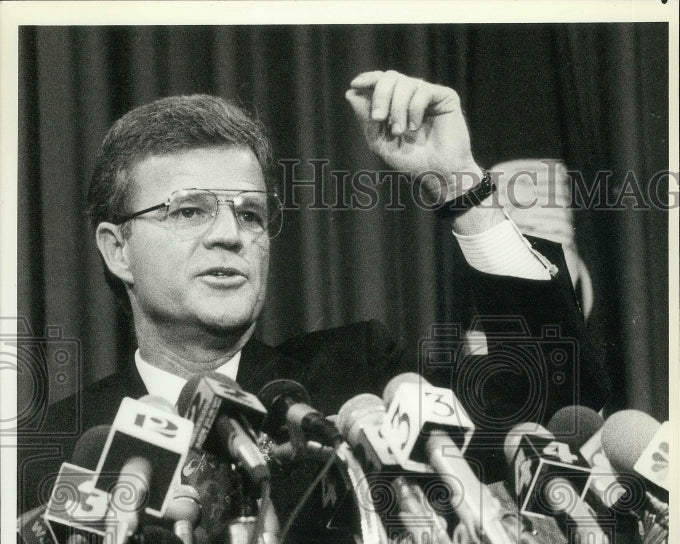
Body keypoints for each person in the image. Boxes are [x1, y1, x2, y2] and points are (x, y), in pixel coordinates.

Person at [18, 69, 604, 519]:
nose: (229, 234)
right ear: (117, 249)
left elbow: (553, 401)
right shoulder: (47, 453)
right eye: (189, 210)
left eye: (250, 213)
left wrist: (459, 184)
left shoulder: (362, 380)